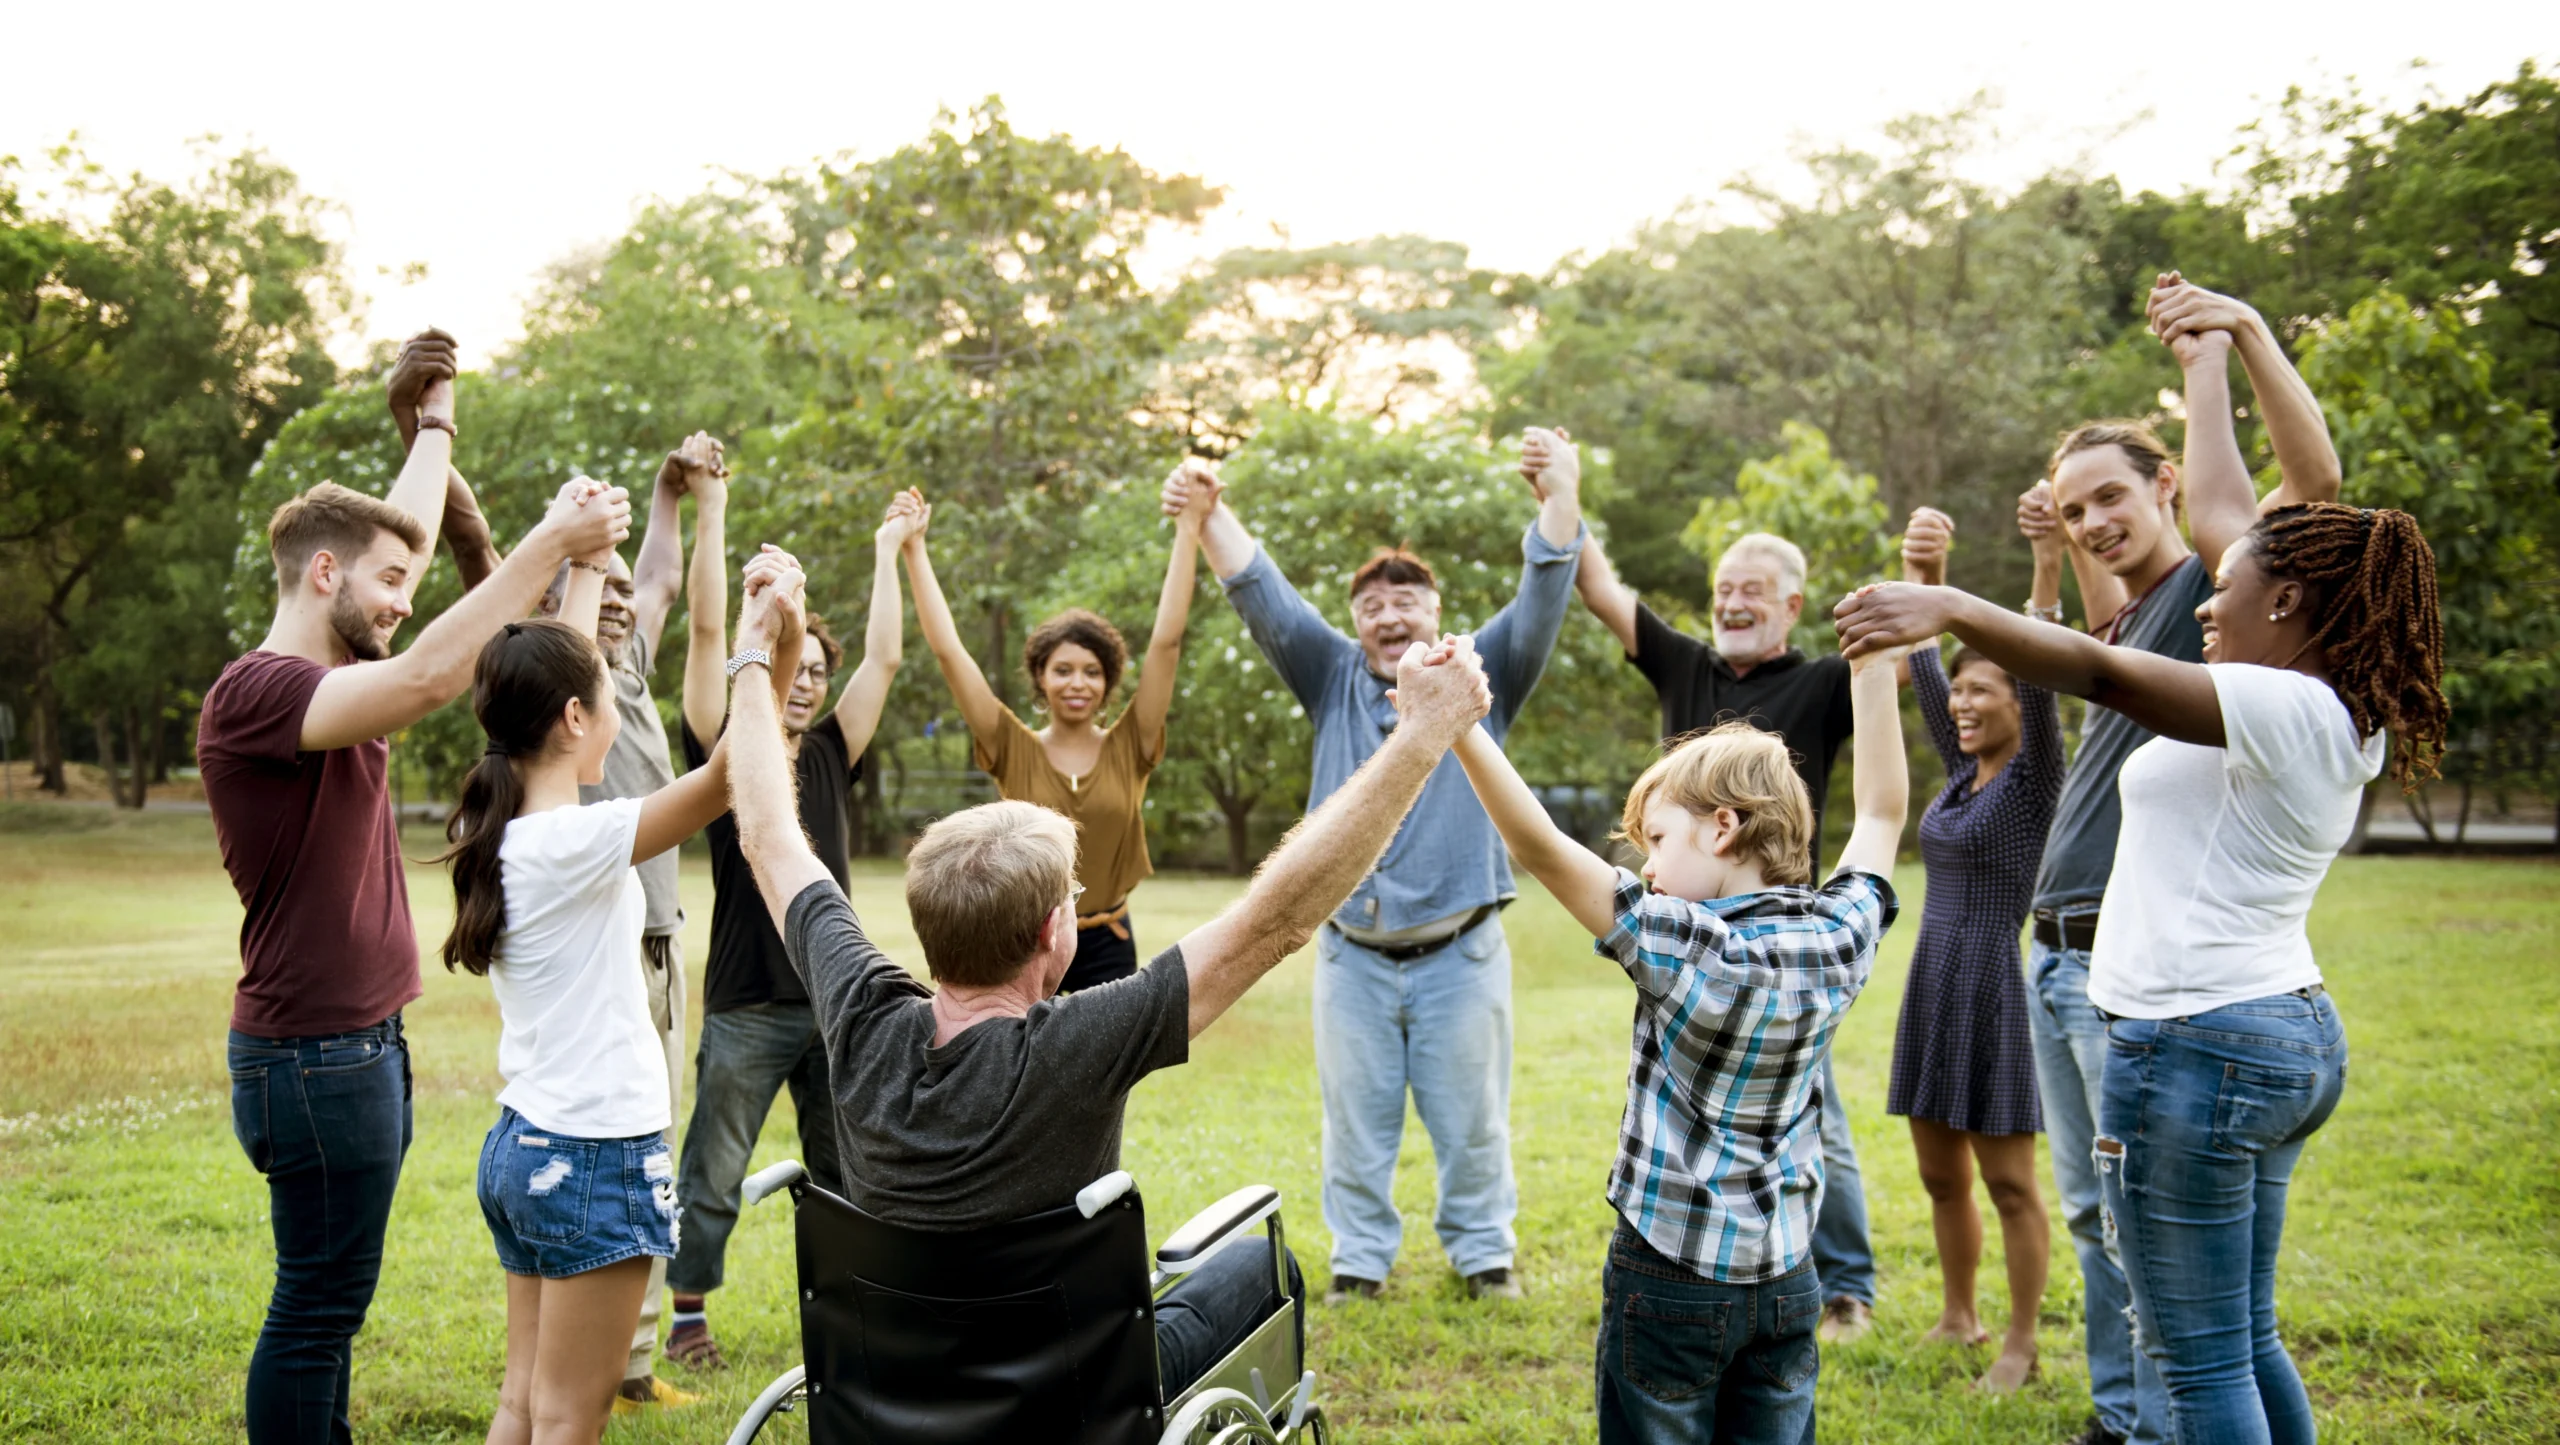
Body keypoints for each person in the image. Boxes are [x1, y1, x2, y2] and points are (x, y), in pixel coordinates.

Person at [722, 546, 1497, 1396]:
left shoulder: (861, 1014)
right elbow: (1277, 919)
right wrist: (1422, 736)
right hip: (1073, 1389)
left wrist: (757, 646)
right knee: (1254, 1265)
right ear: (1058, 931)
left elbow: (766, 831)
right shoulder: (1085, 1042)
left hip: (896, 1381)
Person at [1837, 494, 2445, 1444]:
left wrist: (1952, 605)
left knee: (2197, 1360)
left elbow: (2098, 669)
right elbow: (2215, 515)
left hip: (2196, 1045)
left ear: (2285, 601)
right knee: (2241, 1336)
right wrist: (2219, 345)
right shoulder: (2327, 709)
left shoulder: (2283, 700)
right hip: (2271, 1026)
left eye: (2226, 586)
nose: (2206, 602)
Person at [202, 332, 631, 1444]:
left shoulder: (333, 668)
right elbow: (438, 669)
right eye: (389, 583)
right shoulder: (259, 691)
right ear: (326, 577)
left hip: (354, 1046)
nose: (406, 595)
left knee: (329, 1307)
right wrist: (554, 539)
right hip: (313, 1055)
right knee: (316, 1306)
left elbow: (395, 550)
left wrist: (432, 423)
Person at [2006, 274, 2344, 1445]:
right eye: (2071, 505)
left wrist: (2222, 348)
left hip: (2158, 983)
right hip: (2065, 957)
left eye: (2112, 496)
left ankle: (2154, 1423)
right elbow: (2092, 631)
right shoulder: (2148, 613)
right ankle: (2122, 1417)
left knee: (2181, 1294)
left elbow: (2297, 495)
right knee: (2105, 1222)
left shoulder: (2214, 598)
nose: (2095, 518)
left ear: (2163, 485)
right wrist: (2062, 550)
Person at [1447, 604, 1909, 1445]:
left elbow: (1541, 846)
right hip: (1787, 1279)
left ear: (1723, 826)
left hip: (1668, 1277)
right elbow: (1880, 813)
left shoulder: (1681, 941)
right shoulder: (1838, 937)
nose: (1647, 865)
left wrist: (1462, 726)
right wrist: (1874, 672)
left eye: (1655, 838)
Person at [1170, 434, 1587, 1303]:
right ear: (1355, 620)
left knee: (1472, 1124)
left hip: (1460, 954)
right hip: (1351, 956)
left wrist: (1562, 492)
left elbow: (1546, 588)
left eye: (1407, 599)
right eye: (1372, 604)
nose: (1390, 615)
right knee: (1355, 1127)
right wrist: (1210, 513)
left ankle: (1484, 1258)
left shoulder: (1483, 675)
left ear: (1436, 611)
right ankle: (1360, 1263)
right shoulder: (1328, 677)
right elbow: (1262, 594)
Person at [1526, 427, 1878, 1341]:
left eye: (1752, 591)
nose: (1732, 603)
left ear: (1792, 605)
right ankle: (1692, 1246)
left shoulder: (1827, 680)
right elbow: (1599, 588)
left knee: (1810, 1109)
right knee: (1690, 1096)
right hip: (1685, 925)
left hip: (1779, 928)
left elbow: (1891, 736)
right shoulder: (1688, 666)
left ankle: (1842, 1281)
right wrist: (1561, 490)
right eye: (1723, 590)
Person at [437, 546, 762, 1445]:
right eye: (612, 696)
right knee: (572, 1417)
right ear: (575, 716)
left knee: (526, 1405)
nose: (621, 714)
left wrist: (582, 562)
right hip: (592, 1157)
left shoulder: (497, 825)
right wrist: (761, 637)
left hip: (525, 1146)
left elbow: (563, 670)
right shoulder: (576, 839)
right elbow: (726, 775)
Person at [663, 456, 916, 1368]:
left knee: (847, 1167)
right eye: (789, 665)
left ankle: (852, 1313)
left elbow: (885, 654)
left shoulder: (834, 749)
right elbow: (701, 631)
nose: (803, 682)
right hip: (747, 1002)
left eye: (814, 670)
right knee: (714, 1170)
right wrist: (717, 515)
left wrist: (891, 549)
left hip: (835, 998)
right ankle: (688, 1317)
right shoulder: (729, 747)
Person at [900, 458, 1214, 990]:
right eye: (1062, 670)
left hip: (1108, 945)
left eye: (1092, 672)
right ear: (1040, 679)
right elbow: (950, 654)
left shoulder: (1131, 745)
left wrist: (1189, 529)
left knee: (1107, 1076)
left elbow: (1166, 643)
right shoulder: (1010, 746)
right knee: (1016, 1071)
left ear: (1108, 683)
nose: (1077, 683)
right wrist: (914, 550)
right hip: (1018, 941)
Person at [1889, 505, 2064, 1393]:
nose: (1961, 700)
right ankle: (1959, 1315)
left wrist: (2042, 565)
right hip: (1933, 976)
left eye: (1980, 689)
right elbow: (1922, 663)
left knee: (2008, 1182)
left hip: (1995, 979)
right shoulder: (1962, 774)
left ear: (2017, 703)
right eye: (1958, 691)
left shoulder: (2036, 779)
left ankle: (2022, 1341)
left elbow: (2038, 663)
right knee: (1937, 1171)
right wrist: (1926, 569)